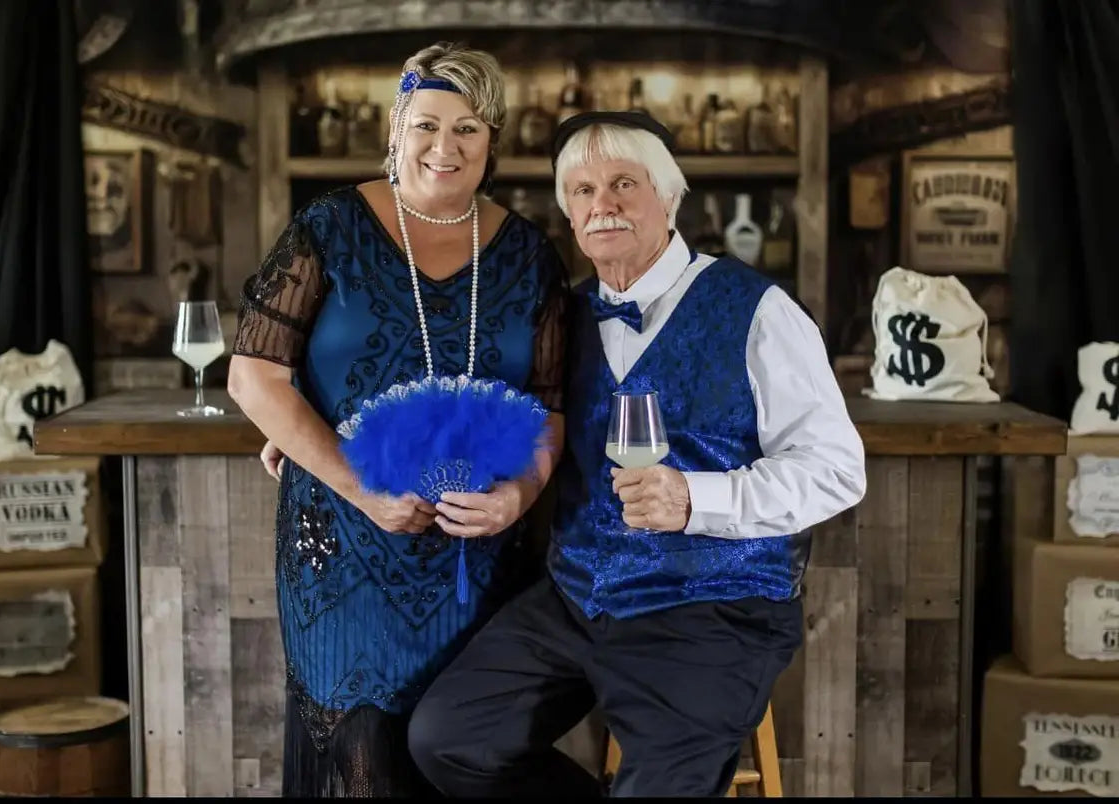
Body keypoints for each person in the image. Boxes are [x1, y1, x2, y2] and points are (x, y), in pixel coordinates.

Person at [407, 111, 867, 798]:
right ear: (569, 214)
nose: (604, 205)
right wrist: (317, 421)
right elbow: (481, 411)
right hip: (577, 598)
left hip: (713, 605)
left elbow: (837, 470)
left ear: (670, 199)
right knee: (447, 742)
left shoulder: (759, 311)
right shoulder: (561, 315)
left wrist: (695, 498)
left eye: (625, 183)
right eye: (584, 192)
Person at [227, 42, 568, 797]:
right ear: (395, 130)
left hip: (475, 560)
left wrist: (520, 495)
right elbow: (254, 377)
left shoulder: (530, 255)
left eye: (469, 128)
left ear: (494, 142)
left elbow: (550, 406)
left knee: (455, 758)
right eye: (426, 124)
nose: (444, 147)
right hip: (343, 544)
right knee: (366, 760)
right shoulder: (327, 229)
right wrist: (357, 484)